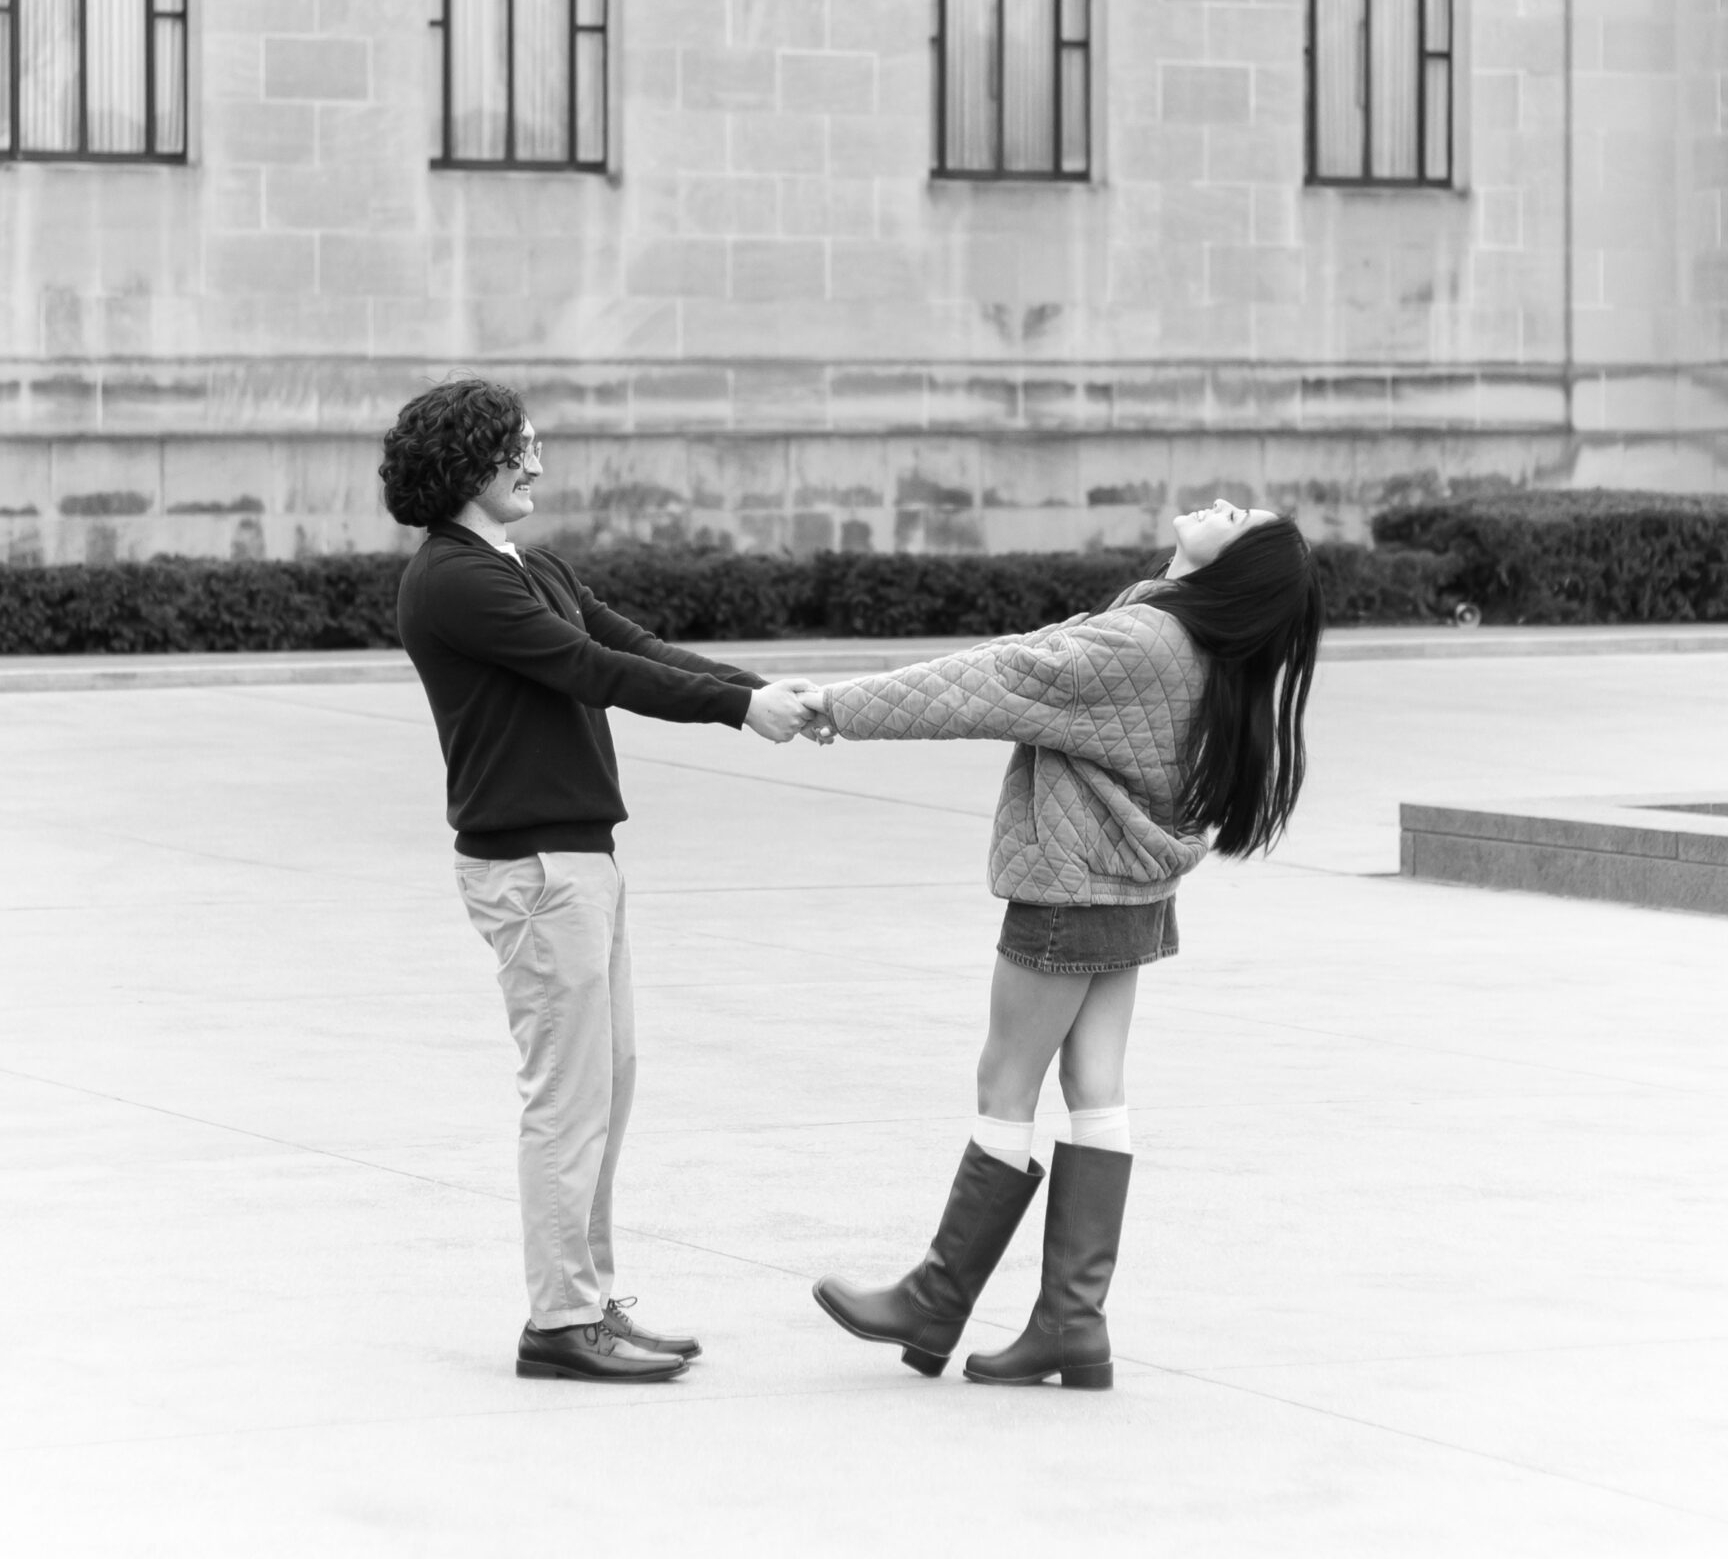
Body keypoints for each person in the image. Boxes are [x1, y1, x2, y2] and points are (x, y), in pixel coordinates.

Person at [803, 499, 1324, 1390]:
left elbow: (994, 679)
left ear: (1236, 565)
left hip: (1069, 884)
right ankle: (1071, 1325)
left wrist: (834, 706)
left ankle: (936, 1300)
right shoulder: (1184, 636)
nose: (1220, 504)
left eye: (1238, 517)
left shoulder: (1147, 640)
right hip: (1128, 887)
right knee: (1095, 1088)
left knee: (1006, 1082)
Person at [382, 377, 815, 1385]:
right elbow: (593, 671)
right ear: (468, 463)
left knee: (605, 1089)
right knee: (568, 1102)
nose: (537, 462)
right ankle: (561, 1319)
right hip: (533, 871)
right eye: (519, 448)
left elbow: (635, 646)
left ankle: (589, 1300)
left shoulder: (530, 565)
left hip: (578, 860)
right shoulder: (452, 581)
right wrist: (738, 713)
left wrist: (760, 691)